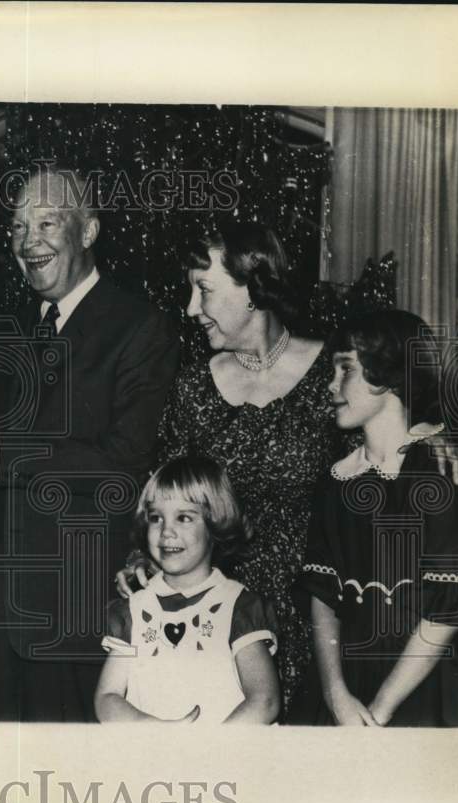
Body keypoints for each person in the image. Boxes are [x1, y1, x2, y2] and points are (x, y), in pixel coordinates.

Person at [0, 166, 180, 721]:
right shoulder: (3, 330)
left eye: (46, 222)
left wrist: (4, 450)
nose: (27, 240)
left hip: (76, 611)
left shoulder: (139, 327)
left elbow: (124, 465)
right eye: (17, 226)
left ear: (87, 232)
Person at [119, 222, 344, 714]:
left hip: (320, 621)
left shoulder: (333, 376)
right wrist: (143, 557)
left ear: (253, 288)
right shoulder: (193, 388)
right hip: (215, 627)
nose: (190, 309)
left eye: (203, 291)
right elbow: (166, 499)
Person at [291, 309, 458, 727]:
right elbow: (323, 596)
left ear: (387, 374)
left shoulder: (441, 470)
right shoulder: (336, 480)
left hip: (420, 688)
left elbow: (446, 608)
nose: (331, 386)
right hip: (344, 690)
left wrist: (383, 706)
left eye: (345, 369)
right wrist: (336, 696)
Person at [95, 456, 280, 724]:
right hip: (153, 754)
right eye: (156, 517)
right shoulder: (134, 609)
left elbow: (265, 700)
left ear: (215, 524)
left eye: (183, 517)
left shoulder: (237, 605)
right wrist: (151, 730)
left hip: (225, 754)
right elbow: (107, 697)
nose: (166, 531)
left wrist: (207, 750)